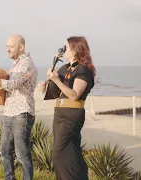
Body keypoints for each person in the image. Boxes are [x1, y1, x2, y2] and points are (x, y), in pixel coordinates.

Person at [0, 34, 37, 180]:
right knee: (4, 152)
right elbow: (3, 81)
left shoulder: (26, 63)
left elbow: (11, 84)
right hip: (9, 112)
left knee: (22, 155)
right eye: (7, 46)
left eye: (11, 46)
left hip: (22, 113)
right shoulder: (16, 63)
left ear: (21, 47)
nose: (7, 49)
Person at [39, 36, 95, 180]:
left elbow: (74, 95)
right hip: (59, 114)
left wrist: (56, 79)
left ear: (76, 50)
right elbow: (57, 92)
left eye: (67, 46)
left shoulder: (83, 70)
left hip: (71, 116)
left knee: (59, 154)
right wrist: (45, 85)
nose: (64, 49)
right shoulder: (65, 68)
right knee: (71, 152)